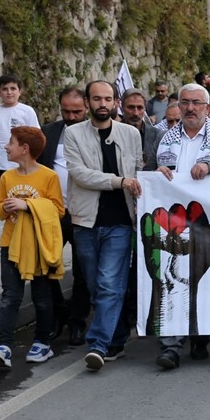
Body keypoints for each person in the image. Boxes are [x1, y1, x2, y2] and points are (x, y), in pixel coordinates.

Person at [149, 84, 210, 369]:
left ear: (207, 107)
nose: (190, 108)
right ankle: (171, 346)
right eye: (185, 103)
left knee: (205, 280)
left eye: (196, 103)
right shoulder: (161, 137)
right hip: (171, 222)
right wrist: (155, 172)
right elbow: (148, 170)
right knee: (172, 279)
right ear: (178, 106)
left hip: (207, 220)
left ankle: (201, 338)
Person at [63, 80, 142, 371]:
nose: (103, 104)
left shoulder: (131, 134)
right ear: (87, 102)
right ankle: (117, 338)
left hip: (120, 222)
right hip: (85, 222)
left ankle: (98, 344)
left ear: (115, 102)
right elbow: (80, 173)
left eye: (108, 98)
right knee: (98, 287)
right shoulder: (72, 134)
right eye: (97, 99)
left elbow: (138, 170)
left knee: (109, 283)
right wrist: (119, 181)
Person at [0, 126, 65, 369]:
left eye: (11, 142)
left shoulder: (49, 176)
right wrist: (6, 207)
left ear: (24, 148)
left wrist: (28, 205)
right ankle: (4, 346)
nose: (6, 146)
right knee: (10, 297)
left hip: (39, 246)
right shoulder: (6, 177)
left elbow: (58, 210)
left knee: (41, 297)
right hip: (10, 244)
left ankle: (42, 343)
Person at [36, 87, 91, 344]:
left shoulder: (96, 133)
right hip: (53, 213)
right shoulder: (48, 133)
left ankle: (77, 321)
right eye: (66, 111)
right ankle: (59, 312)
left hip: (84, 213)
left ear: (87, 107)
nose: (71, 116)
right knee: (46, 266)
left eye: (77, 111)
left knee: (83, 271)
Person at [0, 74, 41, 251]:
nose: (9, 92)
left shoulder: (27, 111)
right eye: (5, 89)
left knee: (20, 197)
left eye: (13, 88)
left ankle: (21, 230)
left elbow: (35, 136)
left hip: (18, 162)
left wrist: (32, 160)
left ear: (19, 91)